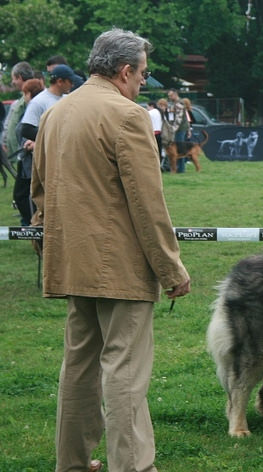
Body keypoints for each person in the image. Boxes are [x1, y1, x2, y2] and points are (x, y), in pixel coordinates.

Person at [31, 28, 191, 472]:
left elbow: (38, 192)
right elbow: (148, 203)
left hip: (70, 260)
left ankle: (73, 463)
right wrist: (170, 268)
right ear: (124, 71)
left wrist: (52, 244)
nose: (144, 80)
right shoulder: (128, 115)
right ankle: (134, 466)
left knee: (79, 366)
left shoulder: (56, 113)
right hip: (119, 266)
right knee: (125, 370)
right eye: (142, 72)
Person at [13, 65, 75, 226]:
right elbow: (26, 128)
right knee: (36, 198)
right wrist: (45, 140)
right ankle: (37, 231)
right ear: (59, 81)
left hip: (60, 157)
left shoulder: (65, 99)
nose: (72, 85)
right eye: (70, 82)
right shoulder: (40, 101)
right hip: (42, 159)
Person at [2, 62, 34, 159]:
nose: (13, 82)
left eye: (13, 79)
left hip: (26, 152)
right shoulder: (20, 101)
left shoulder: (32, 98)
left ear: (19, 77)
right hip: (18, 154)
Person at [167, 89, 189, 173]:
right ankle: (179, 168)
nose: (170, 97)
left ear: (176, 94)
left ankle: (181, 169)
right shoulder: (175, 103)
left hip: (180, 129)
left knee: (179, 149)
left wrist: (172, 130)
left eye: (171, 95)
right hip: (179, 129)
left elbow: (178, 120)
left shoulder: (179, 103)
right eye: (169, 96)